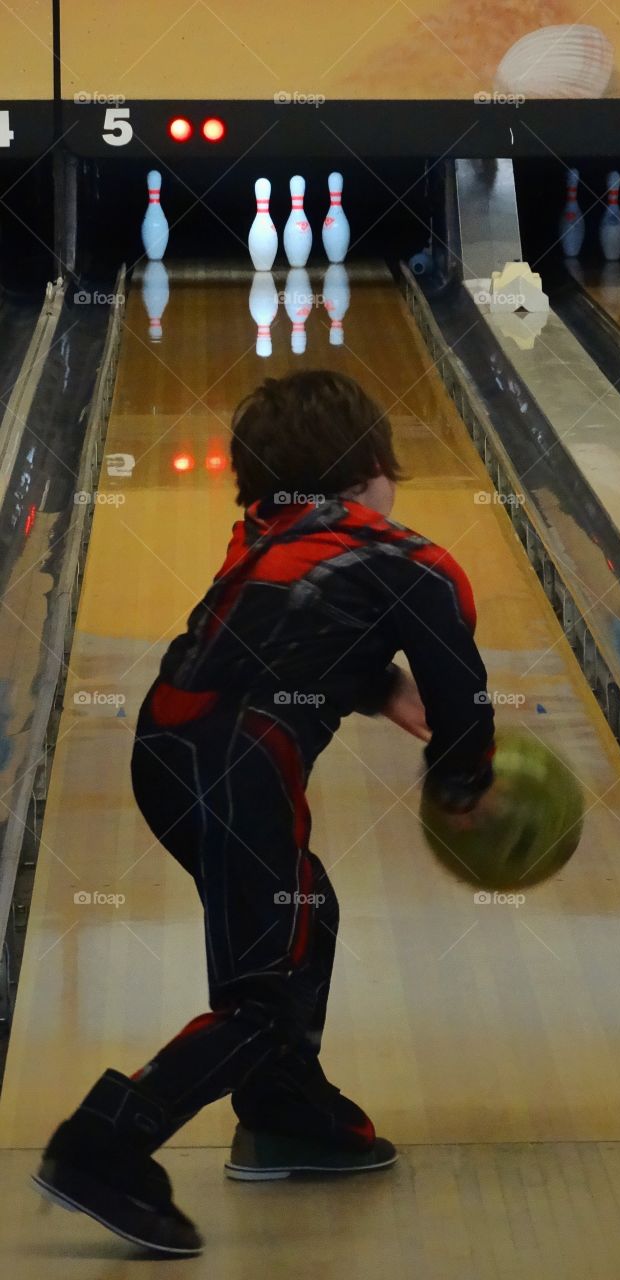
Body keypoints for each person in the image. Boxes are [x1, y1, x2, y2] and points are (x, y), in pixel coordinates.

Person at [33, 370, 496, 1256]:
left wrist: (370, 683)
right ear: (373, 468)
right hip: (245, 770)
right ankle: (105, 1140)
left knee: (301, 908)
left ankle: (285, 1108)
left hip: (166, 757)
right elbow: (464, 707)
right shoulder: (417, 563)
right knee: (265, 994)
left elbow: (282, 637)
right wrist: (466, 790)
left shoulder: (263, 536)